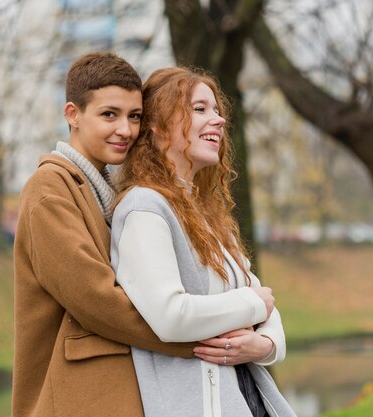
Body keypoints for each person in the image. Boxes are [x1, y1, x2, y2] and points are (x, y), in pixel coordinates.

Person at [12, 52, 275, 417]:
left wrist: (255, 338)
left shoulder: (103, 188)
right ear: (72, 114)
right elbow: (98, 302)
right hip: (75, 396)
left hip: (111, 390)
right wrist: (207, 337)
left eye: (134, 116)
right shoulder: (49, 190)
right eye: (109, 114)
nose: (125, 130)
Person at [110, 67, 296, 417]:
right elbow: (170, 316)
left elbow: (266, 307)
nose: (219, 120)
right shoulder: (145, 208)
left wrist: (264, 344)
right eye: (200, 109)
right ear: (158, 126)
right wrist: (253, 303)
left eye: (216, 109)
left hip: (246, 399)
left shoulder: (205, 212)